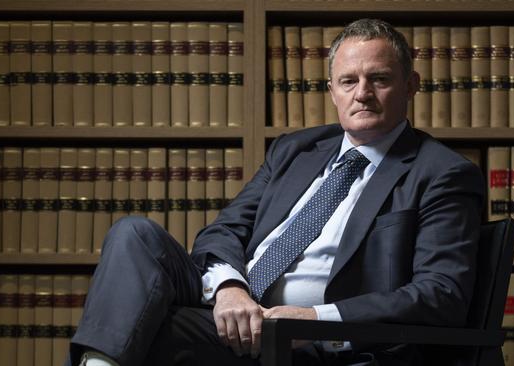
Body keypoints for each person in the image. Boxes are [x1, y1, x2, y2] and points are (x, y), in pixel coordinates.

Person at [67, 18, 484, 366]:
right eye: (348, 81)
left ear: (411, 85)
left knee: (137, 328)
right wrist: (231, 289)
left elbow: (440, 295)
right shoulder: (295, 149)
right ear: (332, 91)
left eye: (379, 79)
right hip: (233, 311)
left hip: (309, 343)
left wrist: (312, 319)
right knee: (134, 234)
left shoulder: (443, 173)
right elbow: (223, 231)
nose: (362, 94)